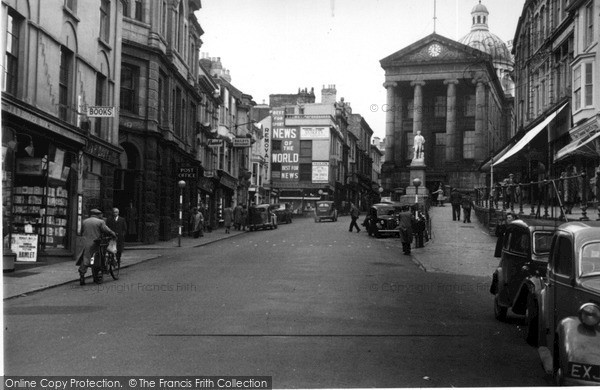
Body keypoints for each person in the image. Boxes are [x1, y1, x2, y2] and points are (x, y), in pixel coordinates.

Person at [75, 209, 116, 286]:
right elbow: (107, 230)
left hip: (85, 243)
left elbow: (80, 232)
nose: (101, 215)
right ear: (97, 214)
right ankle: (97, 275)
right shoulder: (100, 222)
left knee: (85, 259)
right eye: (100, 214)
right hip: (95, 243)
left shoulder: (84, 221)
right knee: (98, 258)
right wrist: (113, 234)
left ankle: (82, 276)